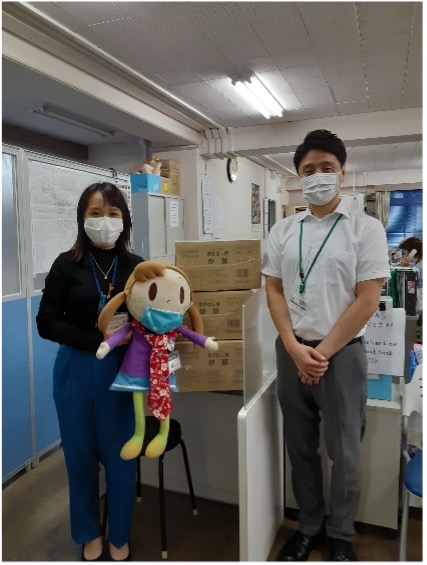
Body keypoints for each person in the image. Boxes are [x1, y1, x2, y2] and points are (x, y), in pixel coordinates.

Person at [262, 130, 390, 561]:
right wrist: (292, 346)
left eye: (327, 168)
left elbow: (367, 299)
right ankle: (309, 527)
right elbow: (274, 289)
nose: (317, 175)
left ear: (342, 172)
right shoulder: (283, 230)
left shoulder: (365, 229)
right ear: (298, 176)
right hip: (291, 350)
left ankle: (340, 535)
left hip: (343, 355)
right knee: (300, 448)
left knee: (345, 452)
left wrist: (320, 353)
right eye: (309, 169)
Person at [37, 182, 144, 561]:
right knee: (79, 457)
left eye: (113, 214)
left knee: (121, 458)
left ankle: (119, 534)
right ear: (82, 219)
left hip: (122, 370)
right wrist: (95, 339)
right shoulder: (66, 264)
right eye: (95, 213)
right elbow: (46, 321)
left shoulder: (136, 267)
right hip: (76, 371)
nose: (104, 221)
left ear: (124, 220)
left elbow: (152, 317)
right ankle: (87, 532)